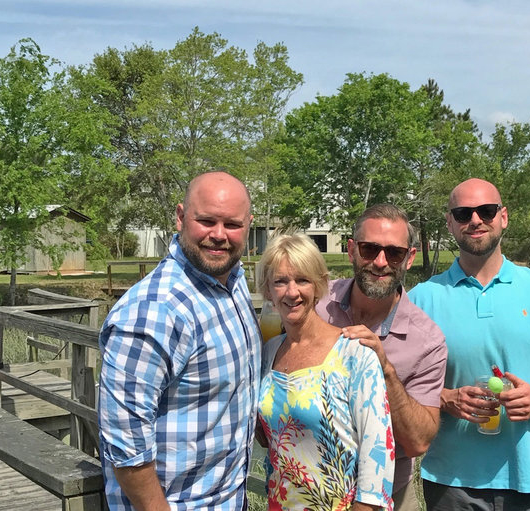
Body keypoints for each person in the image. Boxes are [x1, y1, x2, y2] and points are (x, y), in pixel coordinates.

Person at [409, 178, 530, 511]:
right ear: (450, 222)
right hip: (451, 485)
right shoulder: (422, 300)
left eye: (486, 210)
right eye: (463, 213)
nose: (475, 220)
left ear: (503, 217)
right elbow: (393, 382)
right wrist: (446, 397)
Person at [98, 171, 262, 510]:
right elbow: (127, 448)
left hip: (231, 499)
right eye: (206, 221)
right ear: (180, 217)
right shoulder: (154, 311)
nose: (219, 235)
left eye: (232, 224)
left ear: (248, 226)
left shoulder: (233, 281)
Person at [315, 203, 447, 510]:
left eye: (394, 253)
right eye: (369, 249)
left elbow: (418, 441)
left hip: (390, 497)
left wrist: (385, 369)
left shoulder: (427, 341)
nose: (380, 262)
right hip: (310, 487)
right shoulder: (316, 304)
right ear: (351, 251)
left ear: (410, 258)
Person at [256, 234, 395, 511]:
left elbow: (378, 450)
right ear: (268, 291)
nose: (292, 292)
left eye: (302, 280)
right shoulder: (268, 353)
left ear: (319, 285)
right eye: (280, 281)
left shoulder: (354, 354)